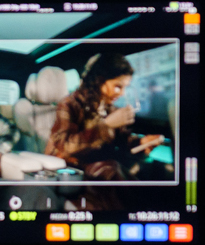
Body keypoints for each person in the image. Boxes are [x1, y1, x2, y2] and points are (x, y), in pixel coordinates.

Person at [47, 52, 164, 180]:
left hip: (101, 166)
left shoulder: (109, 108)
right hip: (71, 170)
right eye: (118, 86)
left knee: (155, 169)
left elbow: (122, 141)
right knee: (112, 170)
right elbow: (64, 147)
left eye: (125, 87)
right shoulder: (70, 104)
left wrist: (142, 142)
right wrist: (106, 126)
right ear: (100, 80)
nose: (122, 93)